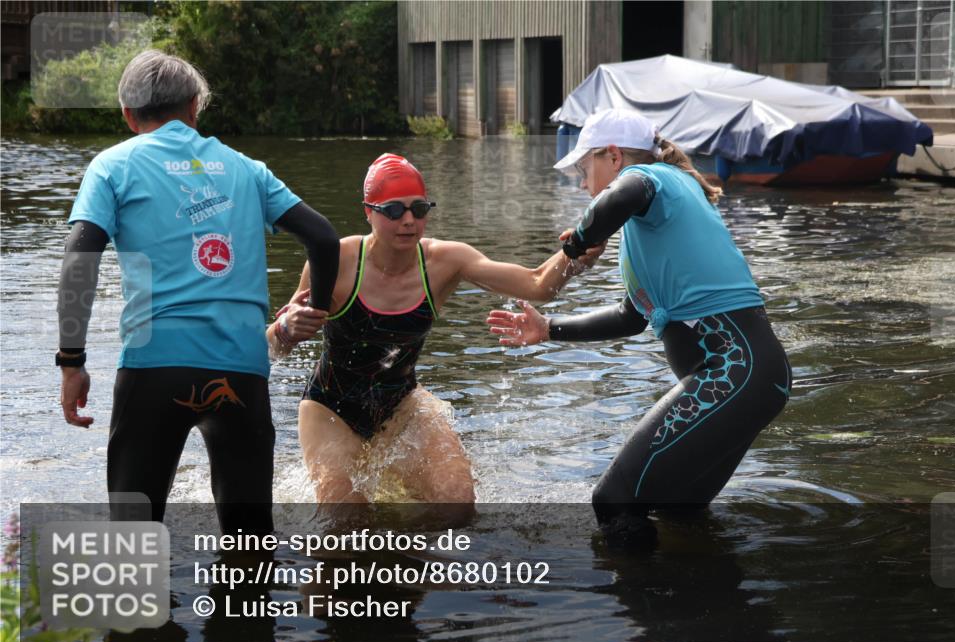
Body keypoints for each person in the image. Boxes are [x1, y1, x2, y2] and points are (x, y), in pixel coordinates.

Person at [57, 50, 340, 534]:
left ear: (128, 114)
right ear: (194, 107)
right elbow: (323, 237)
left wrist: (72, 361)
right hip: (240, 370)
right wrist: (317, 306)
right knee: (249, 540)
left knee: (132, 534)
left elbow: (80, 260)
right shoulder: (247, 169)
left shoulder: (112, 167)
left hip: (153, 369)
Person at [487, 108, 792, 530]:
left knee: (614, 500)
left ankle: (630, 596)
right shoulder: (650, 222)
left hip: (735, 372)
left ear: (613, 155)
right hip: (750, 378)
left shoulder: (654, 179)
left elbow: (623, 194)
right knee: (677, 513)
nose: (581, 182)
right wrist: (548, 329)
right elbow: (631, 317)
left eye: (583, 168)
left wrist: (578, 243)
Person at [268, 153, 603, 507]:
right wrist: (285, 329)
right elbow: (272, 347)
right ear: (369, 211)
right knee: (345, 522)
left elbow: (537, 284)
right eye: (394, 211)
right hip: (330, 409)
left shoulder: (446, 261)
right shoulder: (335, 261)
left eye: (419, 209)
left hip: (401, 404)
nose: (409, 221)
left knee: (457, 504)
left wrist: (576, 258)